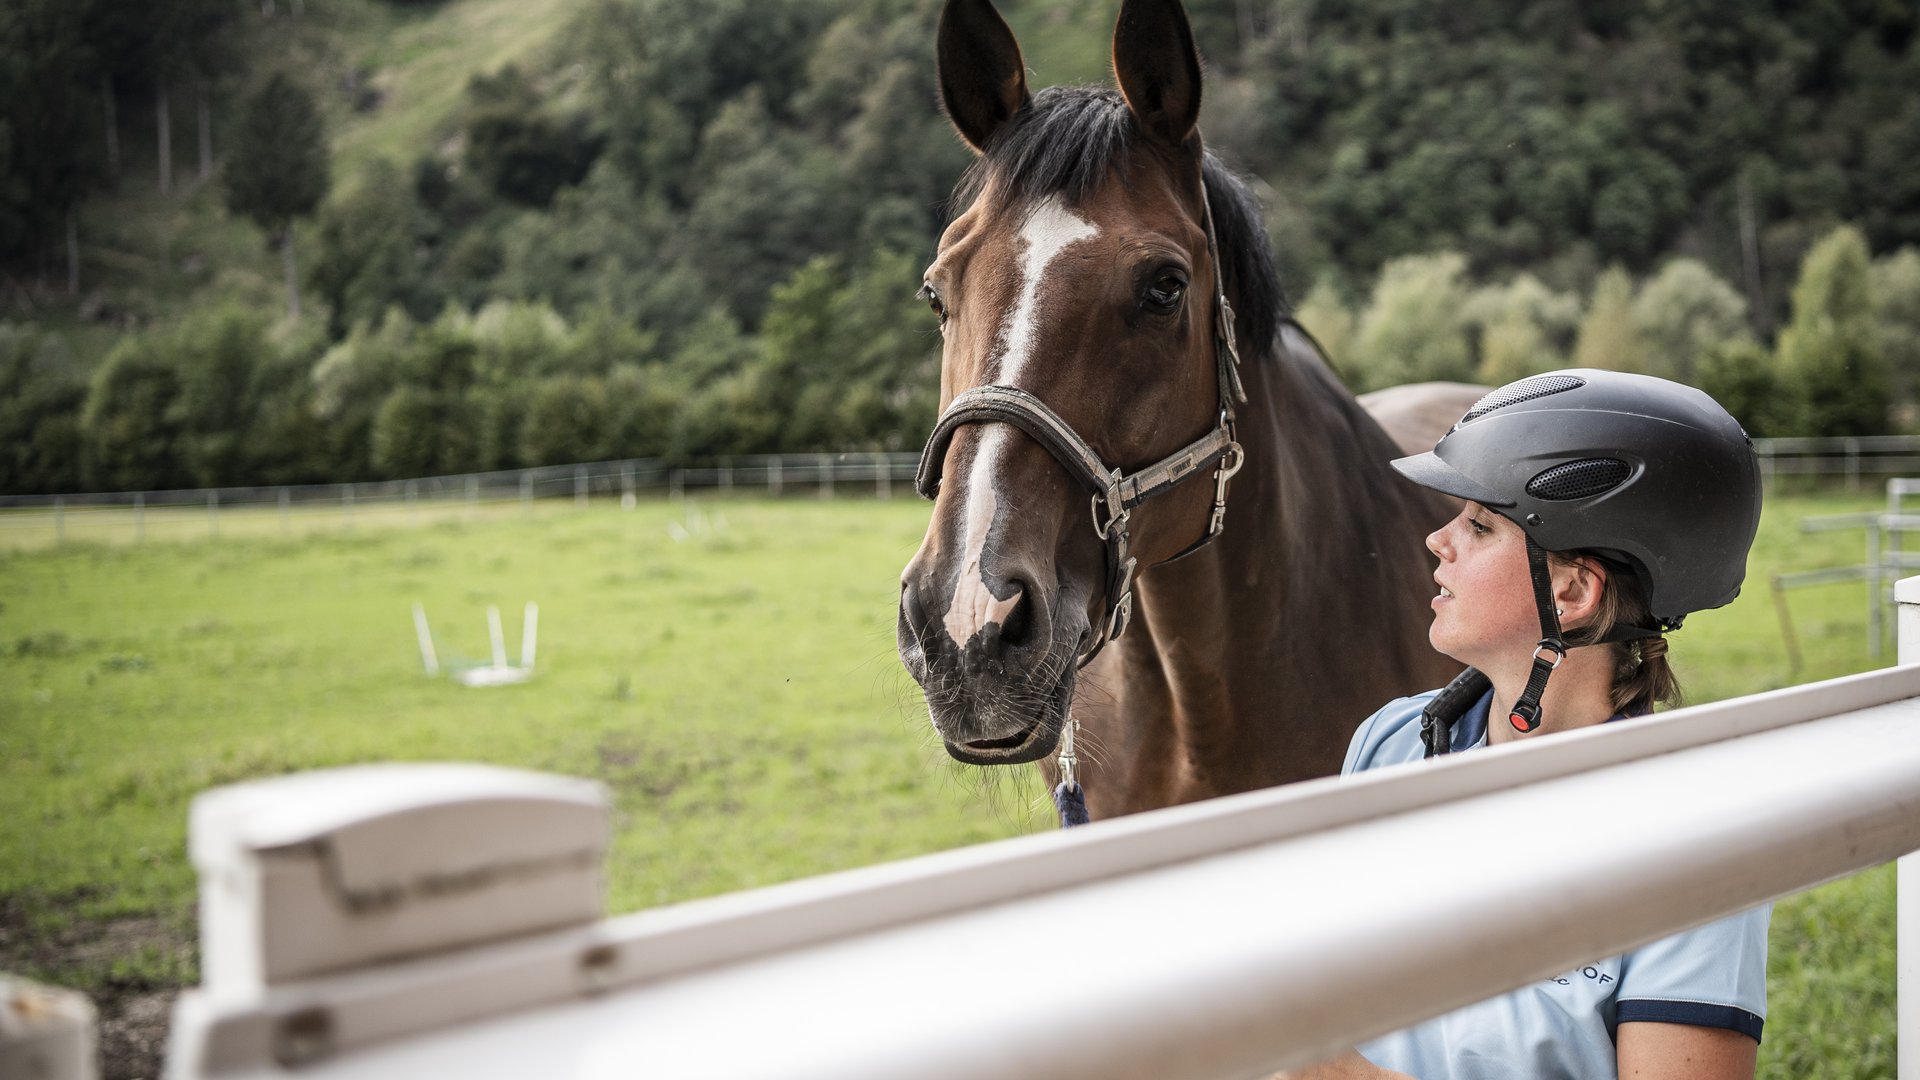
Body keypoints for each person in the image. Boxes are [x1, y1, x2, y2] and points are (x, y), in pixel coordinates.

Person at [1282, 369, 1769, 1080]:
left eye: (1479, 524)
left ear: (1571, 590)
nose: (1436, 540)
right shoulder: (1388, 741)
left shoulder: (1697, 836)